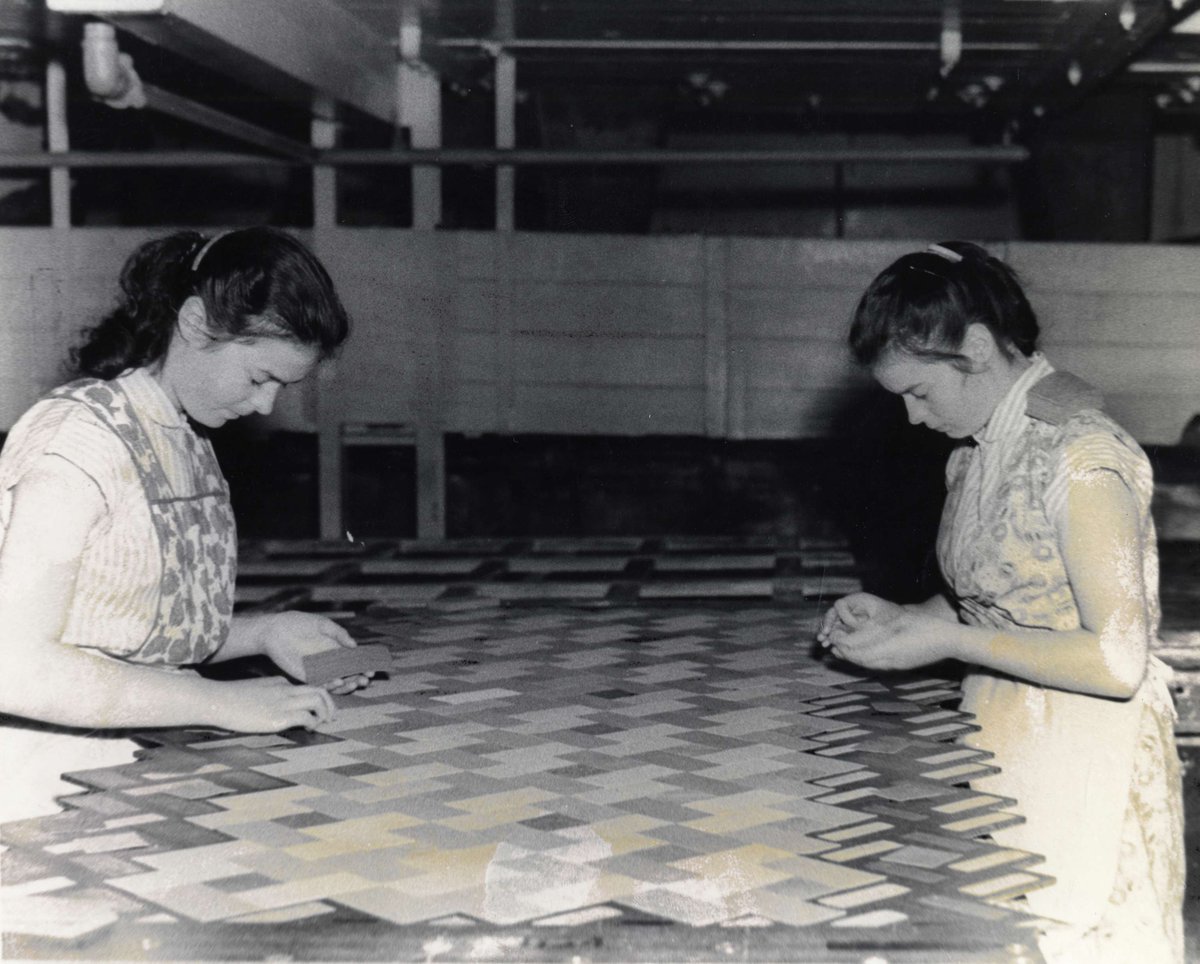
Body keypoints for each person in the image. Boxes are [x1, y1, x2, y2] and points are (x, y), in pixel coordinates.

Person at [817, 241, 1184, 962]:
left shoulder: (1082, 461)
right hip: (1007, 743)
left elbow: (1116, 661)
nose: (914, 420)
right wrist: (908, 618)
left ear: (977, 348)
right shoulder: (979, 452)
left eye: (920, 393)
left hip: (1089, 759)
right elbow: (995, 600)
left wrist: (948, 644)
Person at [0, 227, 371, 822]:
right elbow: (13, 666)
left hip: (137, 757)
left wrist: (264, 634)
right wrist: (216, 701)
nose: (265, 406)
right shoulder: (77, 443)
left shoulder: (184, 437)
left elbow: (122, 625)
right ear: (196, 325)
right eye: (259, 378)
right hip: (38, 778)